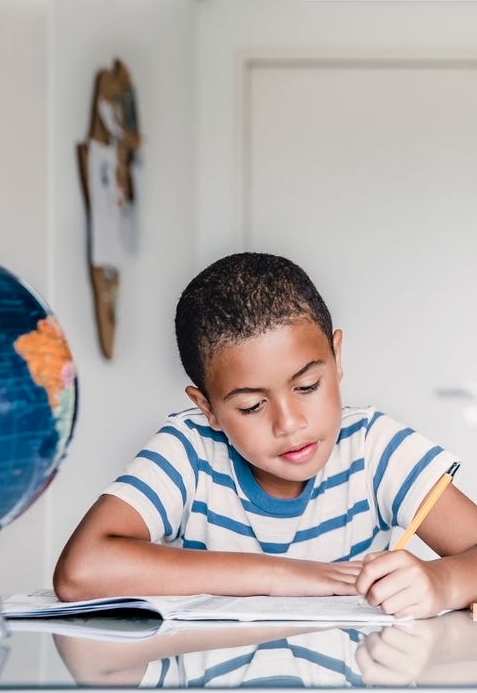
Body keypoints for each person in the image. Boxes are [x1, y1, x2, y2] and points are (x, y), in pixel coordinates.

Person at [53, 252, 477, 618]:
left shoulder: (375, 448)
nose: (289, 423)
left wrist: (442, 583)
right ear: (209, 409)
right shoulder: (189, 448)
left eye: (308, 386)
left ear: (337, 357)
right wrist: (285, 575)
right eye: (252, 406)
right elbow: (81, 571)